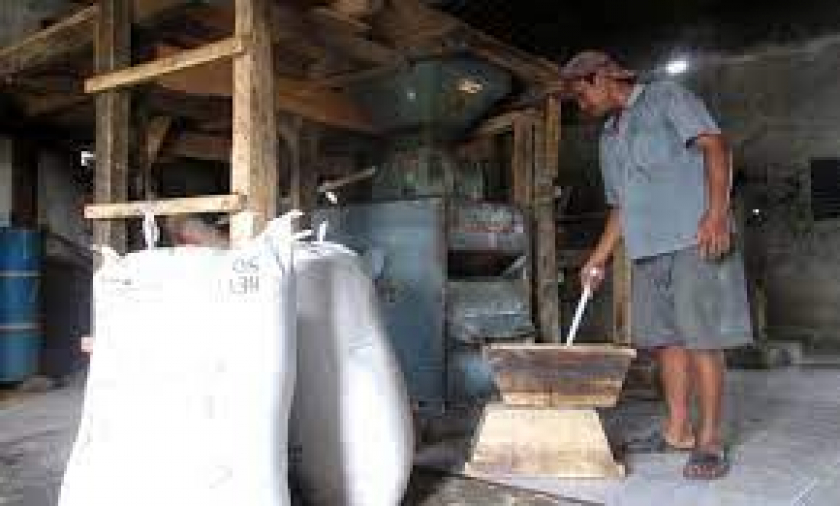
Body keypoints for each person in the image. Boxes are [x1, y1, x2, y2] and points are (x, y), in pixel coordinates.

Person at [558, 50, 752, 479]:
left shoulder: (665, 98)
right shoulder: (609, 135)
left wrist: (716, 213)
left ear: (600, 78)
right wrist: (598, 258)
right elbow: (621, 205)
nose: (582, 106)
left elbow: (716, 146)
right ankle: (677, 431)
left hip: (693, 239)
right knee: (666, 342)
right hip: (647, 250)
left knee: (702, 340)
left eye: (581, 95)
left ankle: (709, 441)